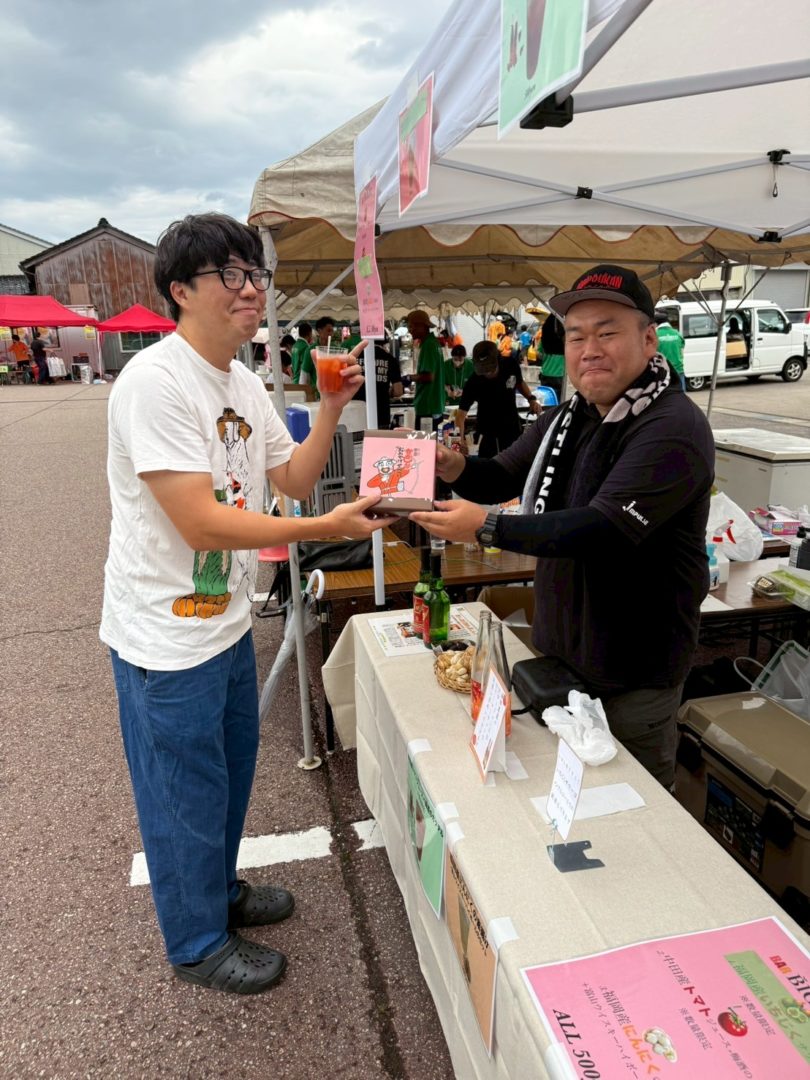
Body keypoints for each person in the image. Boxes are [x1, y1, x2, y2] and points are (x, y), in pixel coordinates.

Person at [100, 212, 395, 996]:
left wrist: (329, 405)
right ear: (181, 291)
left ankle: (218, 892)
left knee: (227, 778)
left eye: (255, 274)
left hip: (222, 624)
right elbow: (199, 519)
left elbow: (291, 478)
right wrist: (321, 527)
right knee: (182, 789)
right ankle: (196, 940)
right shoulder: (155, 383)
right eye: (230, 275)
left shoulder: (241, 381)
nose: (251, 289)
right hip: (163, 637)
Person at [410, 264, 714, 789]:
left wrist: (487, 528)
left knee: (633, 814)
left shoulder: (673, 426)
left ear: (647, 340)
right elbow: (502, 474)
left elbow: (604, 529)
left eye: (607, 332)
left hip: (633, 674)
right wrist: (453, 466)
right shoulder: (567, 419)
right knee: (568, 800)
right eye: (576, 335)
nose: (589, 348)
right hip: (559, 658)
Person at [455, 340, 541, 458]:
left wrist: (531, 399)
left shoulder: (510, 364)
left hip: (512, 429)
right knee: (489, 469)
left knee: (514, 468)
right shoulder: (474, 382)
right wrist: (461, 440)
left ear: (498, 359)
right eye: (483, 370)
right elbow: (460, 415)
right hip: (486, 436)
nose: (487, 373)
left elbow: (519, 383)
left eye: (490, 369)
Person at [351, 333, 403, 429]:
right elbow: (398, 391)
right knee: (380, 443)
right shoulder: (390, 358)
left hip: (356, 415)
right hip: (381, 415)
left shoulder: (354, 357)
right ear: (385, 342)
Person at [407, 308, 445, 429]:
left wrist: (408, 378)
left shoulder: (428, 345)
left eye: (411, 327)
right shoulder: (433, 343)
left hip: (427, 406)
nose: (410, 330)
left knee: (425, 445)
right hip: (434, 404)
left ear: (421, 327)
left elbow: (429, 376)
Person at [654, 310, 685, 390]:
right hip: (678, 369)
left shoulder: (655, 335)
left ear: (656, 323)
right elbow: (681, 352)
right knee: (681, 396)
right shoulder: (677, 333)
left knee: (666, 398)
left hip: (663, 372)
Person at [538, 315, 566, 401]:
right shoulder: (563, 343)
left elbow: (539, 354)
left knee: (546, 399)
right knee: (557, 400)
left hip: (545, 373)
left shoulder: (544, 341)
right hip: (559, 375)